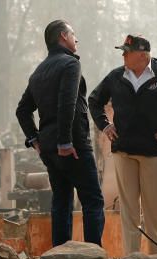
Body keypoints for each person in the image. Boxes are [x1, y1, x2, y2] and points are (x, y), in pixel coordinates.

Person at [88, 35, 157, 255]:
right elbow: (94, 100)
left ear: (142, 55)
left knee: (154, 210)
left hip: (153, 153)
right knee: (129, 211)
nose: (123, 56)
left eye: (126, 52)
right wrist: (105, 125)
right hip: (123, 151)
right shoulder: (116, 76)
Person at [16, 20, 106, 247]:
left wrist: (35, 139)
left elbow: (22, 110)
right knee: (93, 201)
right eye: (73, 34)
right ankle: (93, 258)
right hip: (72, 145)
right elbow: (67, 103)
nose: (76, 39)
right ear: (63, 37)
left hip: (48, 148)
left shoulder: (38, 71)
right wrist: (65, 142)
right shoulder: (70, 65)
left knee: (62, 202)